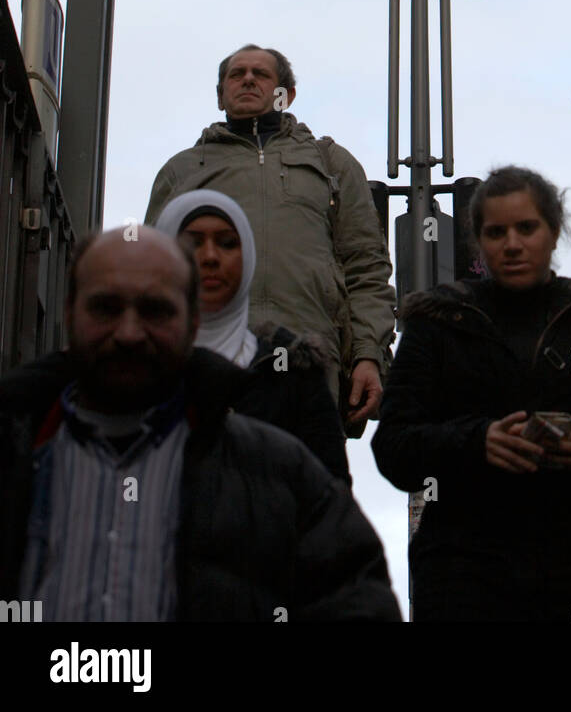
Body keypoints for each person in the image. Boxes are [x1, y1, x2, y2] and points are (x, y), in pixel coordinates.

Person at [0, 226, 401, 622]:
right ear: (70, 312)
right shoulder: (14, 448)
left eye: (155, 310)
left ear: (194, 322)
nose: (128, 333)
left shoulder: (278, 473)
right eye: (106, 307)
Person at [371, 165, 571, 622]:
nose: (512, 244)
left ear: (554, 233)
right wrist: (477, 442)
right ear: (478, 240)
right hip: (465, 577)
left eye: (526, 228)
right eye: (496, 232)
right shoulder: (438, 322)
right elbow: (393, 447)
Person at [144, 45, 396, 435]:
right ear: (220, 95)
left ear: (286, 94)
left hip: (311, 361)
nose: (247, 79)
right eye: (236, 74)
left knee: (304, 486)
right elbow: (153, 275)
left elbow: (367, 268)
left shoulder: (330, 163)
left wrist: (368, 355)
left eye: (261, 74)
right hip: (209, 358)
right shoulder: (183, 170)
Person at [154, 188, 350, 483]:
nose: (210, 257)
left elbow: (331, 502)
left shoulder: (291, 374)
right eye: (192, 244)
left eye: (227, 243)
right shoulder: (134, 368)